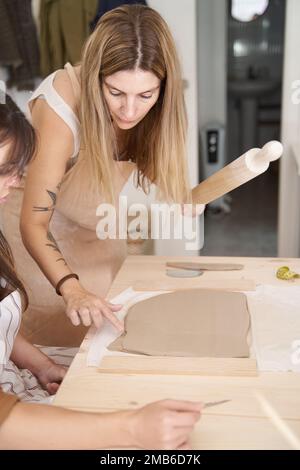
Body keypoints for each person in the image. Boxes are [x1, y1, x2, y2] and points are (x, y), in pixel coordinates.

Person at [0, 94, 203, 450]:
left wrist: (43, 366)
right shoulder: (60, 107)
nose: (16, 183)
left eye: (18, 171)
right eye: (5, 170)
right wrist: (132, 430)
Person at [1, 4, 204, 347]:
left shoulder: (160, 106)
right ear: (96, 77)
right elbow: (34, 224)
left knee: (104, 348)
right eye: (115, 93)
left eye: (145, 95)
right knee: (54, 357)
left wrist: (177, 195)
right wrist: (72, 289)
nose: (130, 110)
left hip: (95, 236)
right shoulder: (61, 104)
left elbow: (146, 161)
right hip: (40, 244)